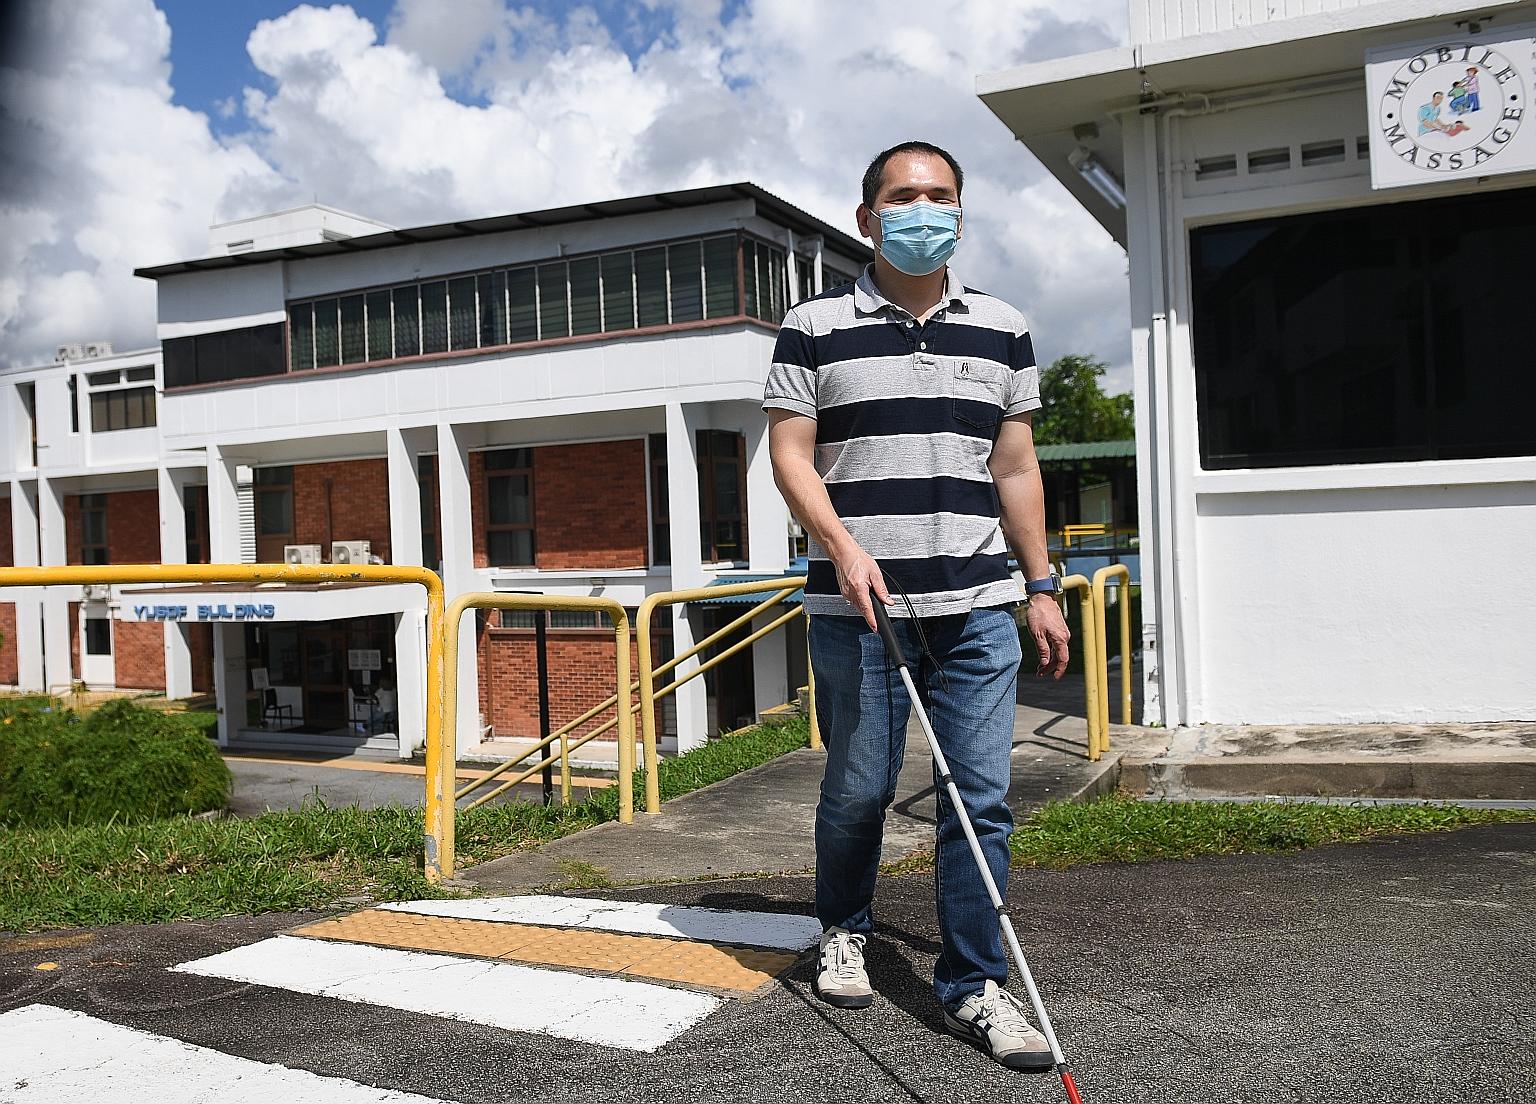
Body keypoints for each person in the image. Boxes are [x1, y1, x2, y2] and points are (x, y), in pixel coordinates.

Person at [763, 140, 1071, 1072]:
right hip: (858, 605)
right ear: (868, 218)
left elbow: (1014, 467)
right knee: (858, 786)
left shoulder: (1006, 327)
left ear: (960, 214)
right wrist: (841, 546)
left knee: (978, 798)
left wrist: (1043, 583)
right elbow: (789, 455)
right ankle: (843, 928)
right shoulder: (811, 325)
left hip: (977, 604)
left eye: (940, 195)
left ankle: (975, 985)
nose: (923, 209)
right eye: (904, 196)